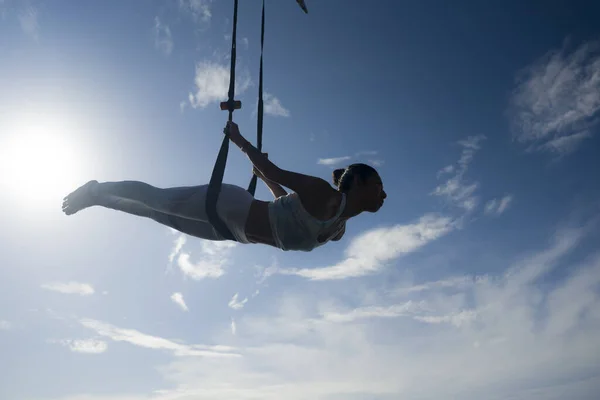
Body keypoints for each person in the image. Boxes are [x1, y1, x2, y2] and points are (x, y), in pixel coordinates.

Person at [62, 121, 386, 251]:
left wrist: (268, 183)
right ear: (357, 182)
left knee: (154, 214)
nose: (383, 194)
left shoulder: (339, 229)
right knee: (156, 199)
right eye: (378, 185)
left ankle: (97, 199)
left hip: (232, 232)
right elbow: (272, 168)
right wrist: (239, 139)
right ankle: (94, 188)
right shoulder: (322, 193)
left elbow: (286, 205)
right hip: (231, 206)